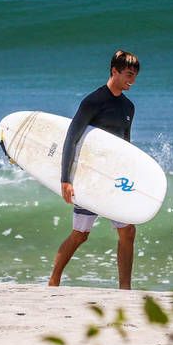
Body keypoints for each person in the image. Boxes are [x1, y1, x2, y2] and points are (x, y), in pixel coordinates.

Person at [49, 50, 140, 290]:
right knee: (80, 234)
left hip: (114, 179)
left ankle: (125, 289)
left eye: (135, 75)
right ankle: (53, 281)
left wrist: (129, 176)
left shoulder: (128, 107)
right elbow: (72, 138)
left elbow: (125, 146)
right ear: (114, 71)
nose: (132, 79)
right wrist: (65, 179)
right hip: (90, 177)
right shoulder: (93, 101)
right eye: (129, 74)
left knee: (128, 231)